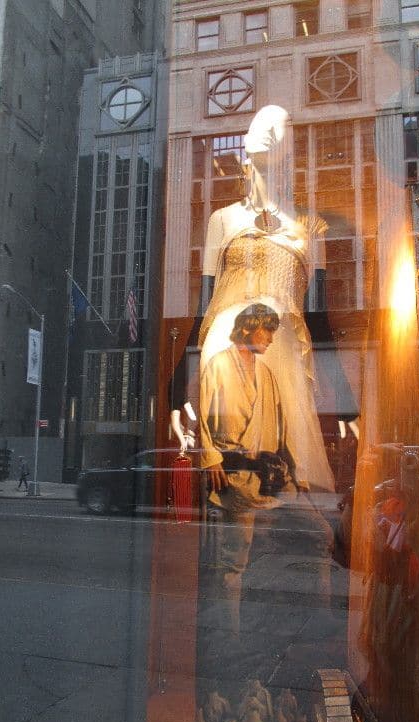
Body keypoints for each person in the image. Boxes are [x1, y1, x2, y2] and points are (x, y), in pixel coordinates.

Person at [170, 105, 358, 487]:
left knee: (281, 473)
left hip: (281, 346)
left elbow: (318, 316)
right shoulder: (221, 220)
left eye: (282, 125)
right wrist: (177, 389)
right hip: (220, 353)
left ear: (291, 152)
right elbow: (204, 306)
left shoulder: (309, 226)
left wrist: (345, 403)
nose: (270, 126)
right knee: (229, 473)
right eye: (262, 121)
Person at [200, 304, 334, 636]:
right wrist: (211, 458)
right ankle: (231, 636)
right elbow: (201, 417)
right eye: (267, 331)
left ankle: (318, 614)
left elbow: (283, 426)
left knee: (320, 532)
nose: (271, 339)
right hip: (234, 478)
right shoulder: (218, 365)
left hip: (272, 475)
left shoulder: (267, 374)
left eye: (274, 332)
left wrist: (295, 473)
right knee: (234, 561)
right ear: (248, 328)